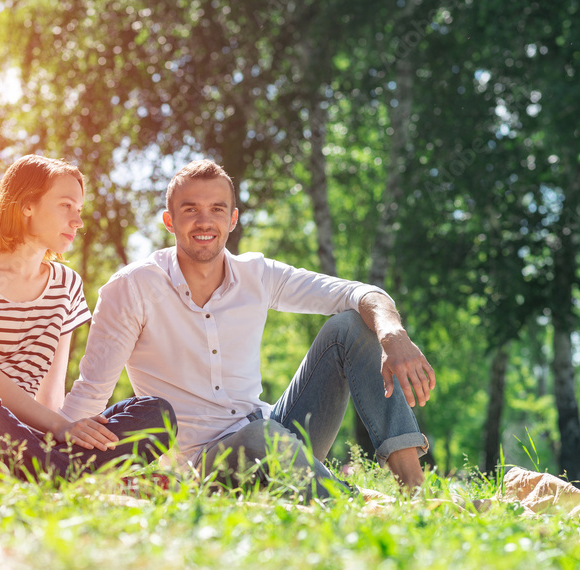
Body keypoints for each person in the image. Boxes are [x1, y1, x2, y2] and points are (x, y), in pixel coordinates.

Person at [60, 159, 435, 501]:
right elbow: (91, 392)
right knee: (263, 437)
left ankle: (415, 492)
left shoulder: (257, 274)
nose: (204, 221)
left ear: (233, 219)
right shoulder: (133, 287)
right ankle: (357, 501)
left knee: (351, 325)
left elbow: (359, 293)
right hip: (203, 463)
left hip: (273, 431)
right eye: (190, 210)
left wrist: (392, 335)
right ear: (169, 221)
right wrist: (56, 458)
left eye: (217, 210)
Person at [0, 155, 175, 481]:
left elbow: (50, 394)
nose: (77, 221)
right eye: (65, 206)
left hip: (21, 443)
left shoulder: (67, 286)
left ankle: (45, 472)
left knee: (156, 413)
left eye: (79, 209)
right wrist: (62, 427)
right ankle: (63, 475)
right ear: (27, 206)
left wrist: (67, 429)